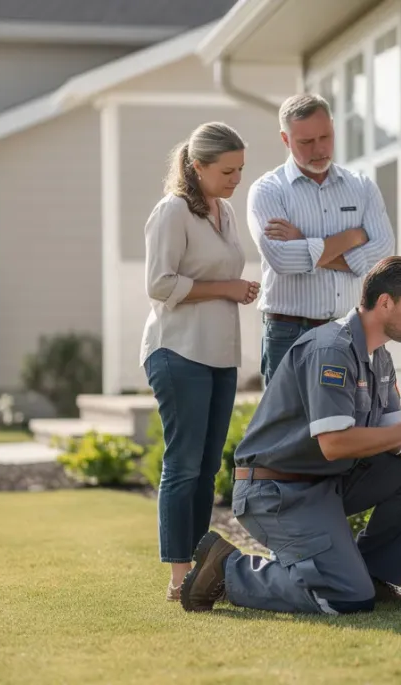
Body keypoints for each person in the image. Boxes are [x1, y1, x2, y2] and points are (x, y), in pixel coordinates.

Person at [177, 256, 401, 615]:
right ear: (385, 302)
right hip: (277, 492)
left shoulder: (379, 358)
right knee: (345, 598)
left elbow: (399, 441)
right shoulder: (331, 349)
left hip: (325, 485)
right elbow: (334, 444)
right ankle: (227, 568)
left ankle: (374, 578)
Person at [140, 121, 261, 602]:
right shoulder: (172, 212)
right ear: (197, 167)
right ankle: (179, 577)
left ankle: (198, 570)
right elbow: (160, 285)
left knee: (209, 466)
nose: (236, 179)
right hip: (178, 352)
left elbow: (218, 274)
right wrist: (227, 289)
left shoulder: (224, 210)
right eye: (227, 171)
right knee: (184, 465)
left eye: (240, 170)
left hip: (218, 356)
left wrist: (239, 290)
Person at [246, 93, 396, 386]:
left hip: (349, 330)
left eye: (325, 136)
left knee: (349, 424)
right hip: (288, 333)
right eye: (306, 142)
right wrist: (352, 237)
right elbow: (282, 260)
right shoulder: (267, 191)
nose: (319, 149)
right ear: (286, 140)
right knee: (287, 428)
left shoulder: (361, 186)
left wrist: (304, 241)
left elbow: (381, 254)